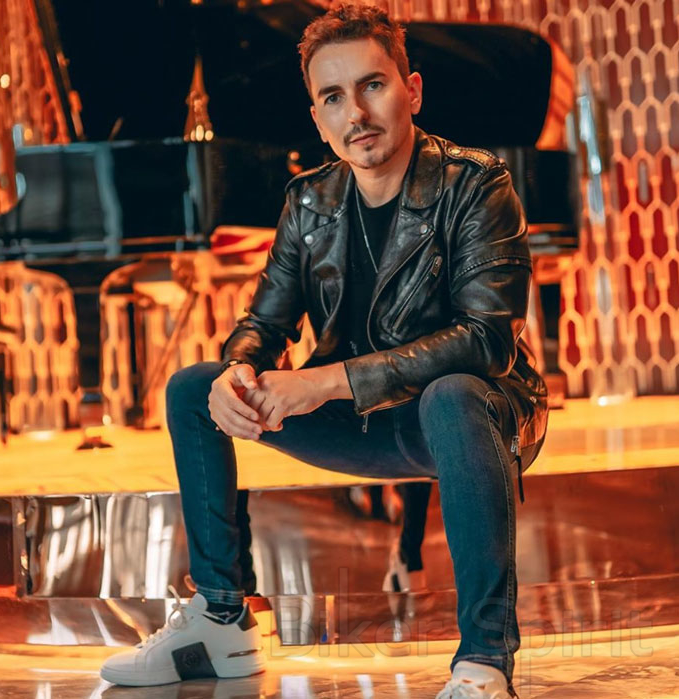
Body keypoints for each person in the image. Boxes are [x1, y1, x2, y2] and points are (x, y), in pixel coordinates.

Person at [101, 4, 548, 697]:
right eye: (333, 97)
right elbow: (265, 320)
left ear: (412, 91)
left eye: (373, 86)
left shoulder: (476, 184)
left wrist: (324, 382)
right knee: (194, 389)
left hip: (468, 420)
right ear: (317, 118)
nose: (356, 114)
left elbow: (486, 340)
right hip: (361, 423)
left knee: (453, 394)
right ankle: (221, 618)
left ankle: (484, 661)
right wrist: (240, 368)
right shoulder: (308, 203)